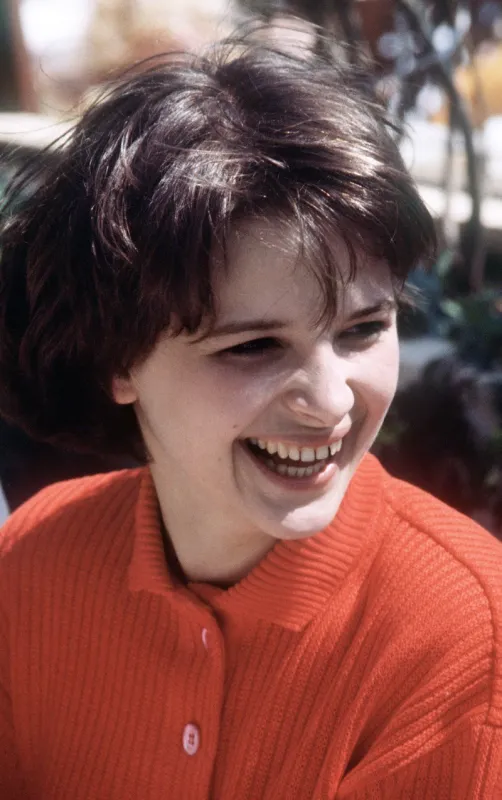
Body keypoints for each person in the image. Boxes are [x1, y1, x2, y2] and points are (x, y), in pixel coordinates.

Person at [0, 29, 501, 799]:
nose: (331, 401)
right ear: (114, 358)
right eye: (254, 347)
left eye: (364, 329)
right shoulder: (32, 560)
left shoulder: (466, 633)